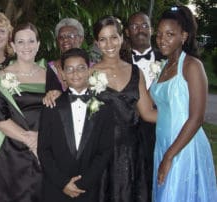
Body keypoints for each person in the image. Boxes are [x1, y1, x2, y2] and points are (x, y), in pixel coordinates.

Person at [150, 5, 217, 201]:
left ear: (184, 36)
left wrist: (169, 156)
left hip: (183, 147)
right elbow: (153, 109)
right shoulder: (162, 66)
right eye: (160, 34)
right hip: (162, 144)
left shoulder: (192, 66)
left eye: (170, 34)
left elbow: (197, 118)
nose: (162, 39)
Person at [92, 16, 156, 202]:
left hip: (133, 153)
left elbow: (148, 113)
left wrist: (183, 116)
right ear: (96, 43)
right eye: (103, 39)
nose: (109, 44)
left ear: (121, 38)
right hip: (102, 154)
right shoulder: (89, 74)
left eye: (113, 37)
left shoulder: (136, 72)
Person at [0, 22, 45, 202]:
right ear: (13, 46)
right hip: (10, 149)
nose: (26, 46)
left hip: (44, 146)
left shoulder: (51, 75)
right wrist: (30, 141)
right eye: (20, 42)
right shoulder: (1, 76)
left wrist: (41, 139)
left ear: (38, 45)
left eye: (31, 41)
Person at [38, 48, 114, 202]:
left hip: (90, 189)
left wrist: (83, 183)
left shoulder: (104, 107)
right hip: (56, 188)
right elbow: (43, 150)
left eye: (81, 68)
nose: (76, 74)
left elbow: (105, 150)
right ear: (63, 74)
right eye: (69, 69)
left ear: (89, 70)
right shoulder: (51, 106)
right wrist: (63, 183)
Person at [125, 12, 164, 201]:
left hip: (163, 128)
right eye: (134, 26)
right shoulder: (119, 62)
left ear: (152, 29)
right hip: (131, 131)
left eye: (144, 25)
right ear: (126, 32)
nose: (140, 29)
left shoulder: (168, 58)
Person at [43, 18, 85, 107]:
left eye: (71, 36)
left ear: (81, 39)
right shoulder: (51, 68)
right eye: (61, 37)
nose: (65, 40)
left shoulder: (93, 67)